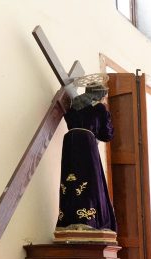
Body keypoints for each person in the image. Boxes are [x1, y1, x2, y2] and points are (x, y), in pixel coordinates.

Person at [55, 74, 116, 232]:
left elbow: (68, 120)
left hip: (69, 143)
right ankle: (90, 220)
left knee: (70, 181)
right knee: (91, 181)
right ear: (99, 93)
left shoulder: (73, 104)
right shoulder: (99, 108)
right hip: (86, 144)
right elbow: (107, 134)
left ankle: (68, 219)